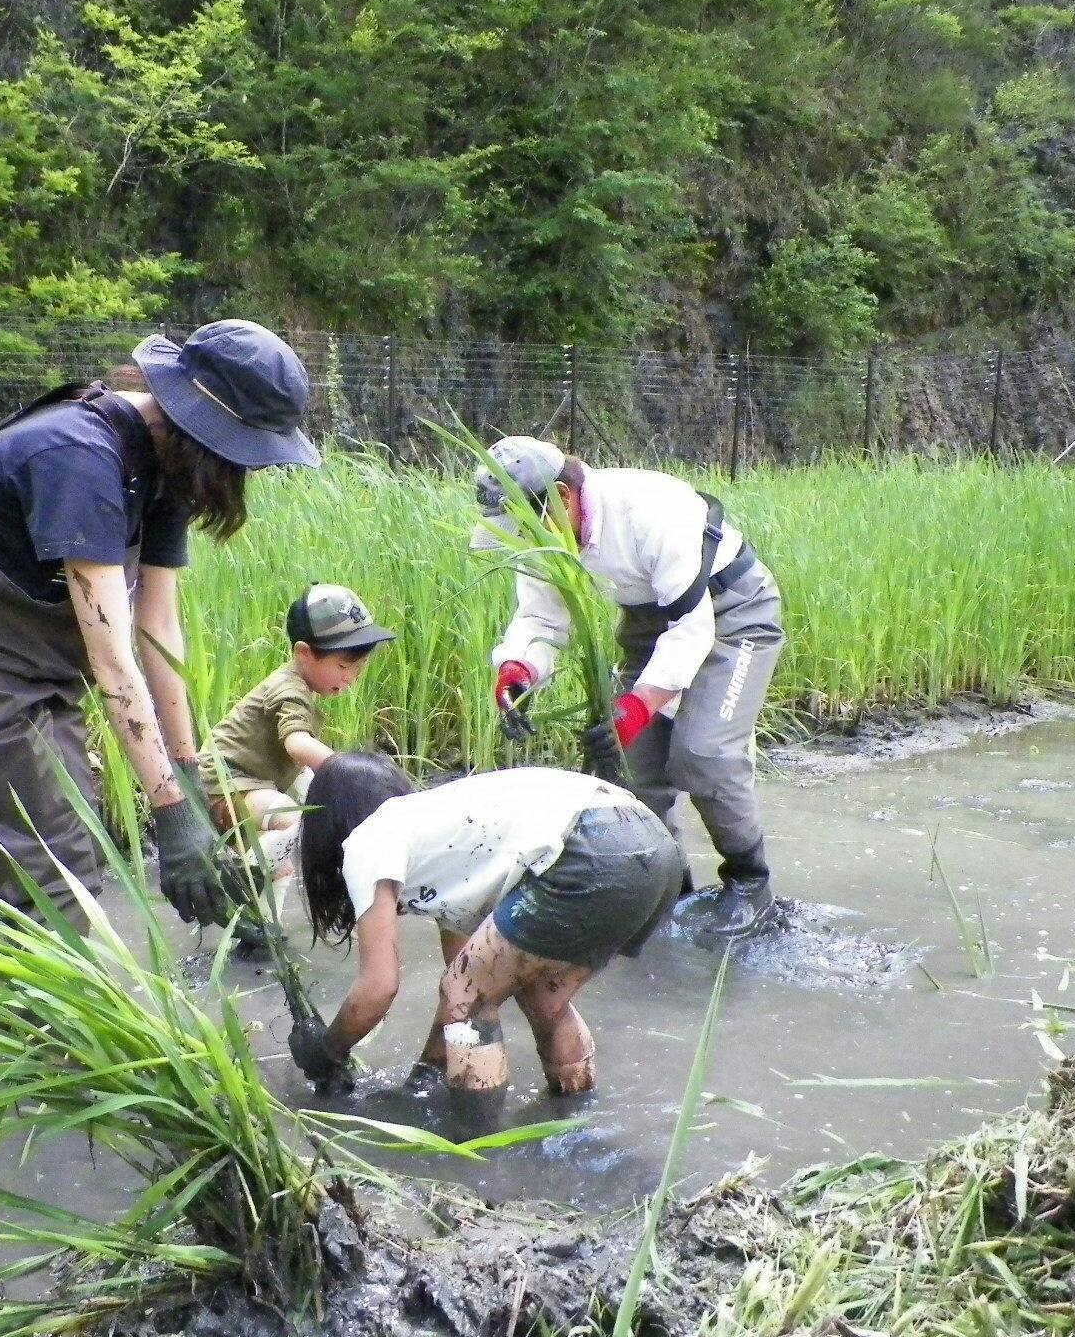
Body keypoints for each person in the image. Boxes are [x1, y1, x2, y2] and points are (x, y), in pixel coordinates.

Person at [0, 319, 320, 927]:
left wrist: (189, 781)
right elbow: (114, 658)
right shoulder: (76, 457)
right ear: (207, 431)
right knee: (52, 877)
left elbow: (157, 630)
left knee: (74, 846)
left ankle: (41, 1008)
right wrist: (169, 814)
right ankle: (39, 1022)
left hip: (39, 674)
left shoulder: (164, 467)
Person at [474, 435, 784, 939]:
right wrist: (518, 672)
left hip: (732, 615)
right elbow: (540, 619)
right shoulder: (546, 535)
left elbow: (692, 629)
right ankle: (667, 886)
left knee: (704, 753)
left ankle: (750, 882)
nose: (526, 539)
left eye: (528, 526)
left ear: (561, 495)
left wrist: (635, 708)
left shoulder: (649, 510)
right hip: (649, 625)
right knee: (634, 768)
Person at [287, 754, 684, 1095]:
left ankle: (476, 1148)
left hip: (592, 847)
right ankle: (574, 1119)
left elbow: (380, 986)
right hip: (650, 844)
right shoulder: (441, 832)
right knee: (543, 1000)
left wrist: (327, 1051)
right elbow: (473, 968)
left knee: (465, 996)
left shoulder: (366, 839)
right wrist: (426, 1074)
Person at [198, 583, 396, 857]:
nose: (350, 677)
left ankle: (248, 882)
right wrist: (350, 773)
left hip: (247, 788)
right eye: (343, 666)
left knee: (280, 863)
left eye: (357, 669)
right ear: (304, 653)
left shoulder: (298, 688)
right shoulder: (289, 689)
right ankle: (245, 874)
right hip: (225, 786)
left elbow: (300, 767)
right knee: (292, 821)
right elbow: (298, 745)